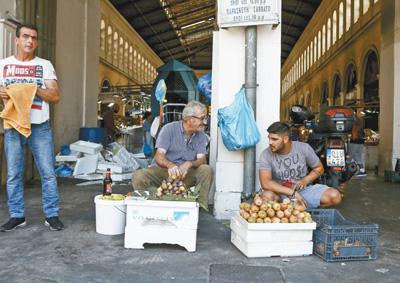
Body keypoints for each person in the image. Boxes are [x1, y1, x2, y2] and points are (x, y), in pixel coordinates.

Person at [0, 24, 64, 231]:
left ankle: (51, 215)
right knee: (13, 173)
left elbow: (54, 96)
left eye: (34, 38)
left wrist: (32, 88)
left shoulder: (44, 65)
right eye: (25, 37)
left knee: (47, 172)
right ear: (16, 40)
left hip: (39, 126)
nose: (30, 41)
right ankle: (17, 215)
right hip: (13, 125)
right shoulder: (3, 65)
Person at [132, 101, 213, 210]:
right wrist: (170, 166)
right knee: (139, 176)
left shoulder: (201, 134)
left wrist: (189, 164)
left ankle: (200, 208)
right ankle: (148, 207)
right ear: (190, 119)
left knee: (206, 169)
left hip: (187, 175)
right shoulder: (169, 129)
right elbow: (159, 156)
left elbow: (201, 159)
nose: (205, 122)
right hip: (165, 173)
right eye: (202, 118)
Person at [259, 122, 341, 209]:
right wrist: (292, 192)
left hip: (303, 191)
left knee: (334, 196)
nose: (270, 142)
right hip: (279, 193)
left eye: (274, 139)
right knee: (266, 197)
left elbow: (319, 168)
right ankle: (286, 212)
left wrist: (305, 180)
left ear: (285, 139)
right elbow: (265, 183)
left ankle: (302, 211)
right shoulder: (266, 154)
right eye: (269, 138)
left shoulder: (303, 148)